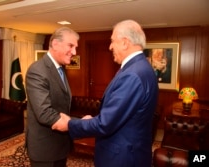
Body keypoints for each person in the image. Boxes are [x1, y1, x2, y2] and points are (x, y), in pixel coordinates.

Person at [52, 20, 159, 167]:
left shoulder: (132, 74)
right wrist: (90, 120)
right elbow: (118, 114)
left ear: (125, 43)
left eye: (112, 41)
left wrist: (70, 124)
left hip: (122, 158)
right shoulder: (142, 67)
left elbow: (106, 124)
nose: (110, 47)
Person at [25, 26, 79, 167]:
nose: (74, 52)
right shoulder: (37, 70)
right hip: (45, 150)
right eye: (71, 46)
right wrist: (80, 123)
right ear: (55, 44)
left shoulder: (60, 68)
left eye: (75, 47)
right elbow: (44, 113)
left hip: (60, 146)